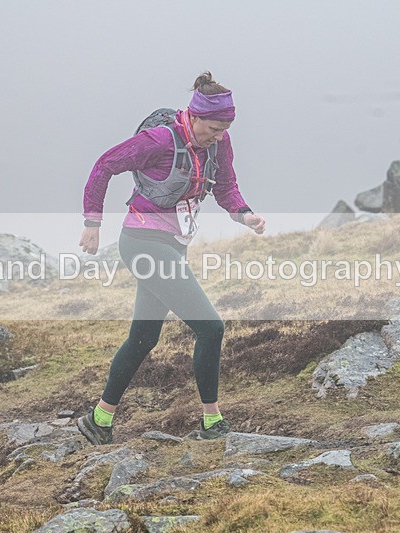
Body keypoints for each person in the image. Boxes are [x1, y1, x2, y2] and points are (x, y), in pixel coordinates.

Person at [77, 71, 266, 445]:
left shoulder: (218, 144)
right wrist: (92, 223)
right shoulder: (159, 140)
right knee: (211, 328)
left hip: (172, 244)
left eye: (224, 130)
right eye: (212, 128)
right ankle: (213, 423)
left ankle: (99, 418)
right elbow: (104, 165)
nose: (218, 136)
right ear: (194, 117)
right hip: (143, 243)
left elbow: (226, 187)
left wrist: (245, 215)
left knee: (143, 338)